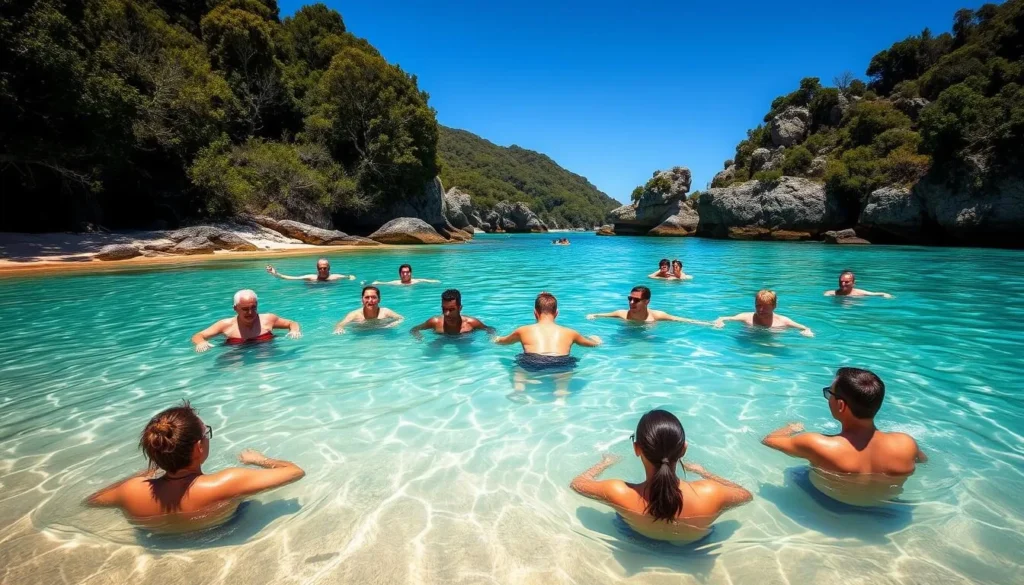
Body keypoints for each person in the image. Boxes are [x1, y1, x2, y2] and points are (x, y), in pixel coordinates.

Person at [85, 402, 305, 532]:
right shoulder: (226, 483)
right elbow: (295, 472)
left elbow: (92, 502)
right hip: (224, 530)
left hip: (159, 539)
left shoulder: (130, 490)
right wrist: (259, 460)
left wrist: (145, 474)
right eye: (206, 433)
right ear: (198, 448)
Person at [570, 410, 752, 543]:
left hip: (637, 539)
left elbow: (578, 484)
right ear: (683, 449)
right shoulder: (711, 493)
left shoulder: (619, 492)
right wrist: (704, 472)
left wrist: (603, 464)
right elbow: (744, 494)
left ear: (637, 448)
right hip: (693, 548)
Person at [761, 368, 927, 506]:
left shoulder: (817, 444)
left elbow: (769, 440)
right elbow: (922, 461)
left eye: (829, 393)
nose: (829, 398)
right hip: (886, 504)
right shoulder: (906, 443)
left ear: (841, 405)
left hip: (832, 504)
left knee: (794, 472)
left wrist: (790, 428)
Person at [191, 290, 301, 352]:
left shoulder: (268, 319)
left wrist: (294, 331)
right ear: (235, 309)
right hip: (238, 357)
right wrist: (201, 343)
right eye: (245, 309)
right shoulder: (225, 325)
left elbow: (291, 323)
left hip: (267, 354)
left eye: (253, 308)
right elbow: (198, 335)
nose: (250, 312)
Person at [587, 286, 710, 325]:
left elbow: (681, 320)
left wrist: (709, 323)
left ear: (646, 302)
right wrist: (592, 315)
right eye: (630, 298)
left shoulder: (657, 315)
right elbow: (599, 315)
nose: (631, 302)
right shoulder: (622, 314)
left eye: (636, 300)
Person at [713, 289, 814, 337]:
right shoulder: (746, 317)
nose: (760, 310)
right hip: (748, 342)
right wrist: (720, 322)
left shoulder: (784, 321)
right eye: (758, 306)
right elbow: (723, 317)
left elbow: (805, 327)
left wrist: (807, 331)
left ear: (774, 306)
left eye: (765, 307)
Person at [410, 289, 494, 338]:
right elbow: (414, 329)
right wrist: (419, 338)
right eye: (444, 309)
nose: (446, 314)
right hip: (441, 340)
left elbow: (490, 329)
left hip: (463, 342)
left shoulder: (471, 323)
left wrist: (491, 339)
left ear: (460, 308)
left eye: (451, 309)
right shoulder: (435, 322)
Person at [334, 286, 404, 334]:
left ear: (379, 299)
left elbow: (400, 318)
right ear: (362, 300)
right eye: (367, 297)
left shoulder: (385, 312)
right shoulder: (355, 314)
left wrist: (392, 324)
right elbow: (341, 323)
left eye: (374, 297)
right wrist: (339, 328)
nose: (370, 300)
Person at [265, 258, 354, 282]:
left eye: (325, 268)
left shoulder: (335, 277)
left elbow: (350, 277)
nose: (322, 270)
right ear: (317, 269)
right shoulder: (311, 278)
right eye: (320, 268)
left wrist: (353, 278)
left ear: (329, 268)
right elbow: (291, 278)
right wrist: (275, 273)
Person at [825, 271, 893, 298]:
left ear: (853, 283)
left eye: (846, 282)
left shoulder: (860, 293)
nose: (843, 284)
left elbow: (879, 294)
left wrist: (887, 296)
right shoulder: (831, 294)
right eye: (841, 281)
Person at [373, 264, 440, 286]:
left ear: (411, 273)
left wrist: (435, 281)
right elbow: (383, 283)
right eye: (403, 272)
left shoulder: (416, 281)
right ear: (399, 274)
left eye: (407, 272)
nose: (405, 274)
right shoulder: (396, 283)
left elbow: (428, 281)